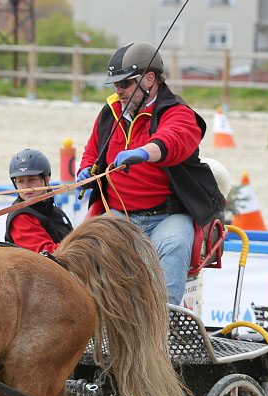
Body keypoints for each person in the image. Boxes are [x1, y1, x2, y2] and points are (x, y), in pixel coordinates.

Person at [77, 41, 224, 305]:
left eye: (125, 83)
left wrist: (145, 152)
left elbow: (172, 140)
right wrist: (86, 171)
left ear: (149, 79)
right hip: (119, 215)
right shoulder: (110, 113)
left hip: (168, 216)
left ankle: (163, 321)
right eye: (116, 85)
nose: (118, 90)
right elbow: (92, 152)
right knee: (83, 249)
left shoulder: (178, 113)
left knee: (175, 245)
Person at [4, 149, 73, 253]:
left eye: (31, 180)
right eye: (20, 181)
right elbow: (45, 254)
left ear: (47, 179)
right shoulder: (21, 217)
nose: (26, 186)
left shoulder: (57, 212)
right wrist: (83, 247)